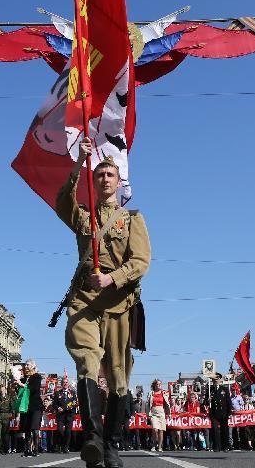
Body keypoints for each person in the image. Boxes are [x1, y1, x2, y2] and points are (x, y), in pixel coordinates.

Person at [56, 136, 151, 468]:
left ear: (118, 181)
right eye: (99, 175)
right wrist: (79, 164)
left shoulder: (132, 219)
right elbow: (62, 204)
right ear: (93, 181)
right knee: (85, 360)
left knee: (118, 375)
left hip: (119, 303)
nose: (105, 179)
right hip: (84, 300)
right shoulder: (83, 217)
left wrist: (113, 278)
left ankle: (109, 442)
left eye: (110, 175)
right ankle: (93, 437)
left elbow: (141, 261)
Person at [20, 359, 44, 457]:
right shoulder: (24, 378)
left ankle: (36, 449)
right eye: (25, 365)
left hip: (36, 406)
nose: (26, 366)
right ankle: (27, 449)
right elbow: (19, 391)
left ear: (33, 366)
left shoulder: (37, 377)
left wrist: (22, 385)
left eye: (28, 365)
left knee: (34, 428)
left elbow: (34, 388)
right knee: (26, 428)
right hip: (26, 406)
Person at [207, 375, 231, 452]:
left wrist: (229, 412)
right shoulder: (210, 390)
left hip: (223, 412)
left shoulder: (224, 389)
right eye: (214, 380)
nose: (215, 381)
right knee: (214, 429)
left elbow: (228, 402)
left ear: (220, 380)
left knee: (224, 430)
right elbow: (204, 403)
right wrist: (208, 401)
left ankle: (225, 446)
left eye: (217, 379)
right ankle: (216, 446)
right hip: (214, 413)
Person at [54, 379, 77, 453]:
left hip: (69, 414)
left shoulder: (72, 392)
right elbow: (54, 404)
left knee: (68, 431)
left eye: (66, 382)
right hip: (60, 415)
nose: (65, 384)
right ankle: (60, 445)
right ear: (61, 384)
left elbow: (75, 402)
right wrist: (58, 408)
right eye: (64, 382)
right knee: (60, 430)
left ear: (68, 384)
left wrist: (71, 406)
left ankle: (65, 447)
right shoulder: (58, 393)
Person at [146, 379, 169, 452]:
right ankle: (153, 444)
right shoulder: (151, 393)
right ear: (154, 385)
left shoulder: (164, 393)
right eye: (157, 384)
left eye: (160, 384)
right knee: (155, 429)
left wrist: (168, 414)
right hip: (153, 412)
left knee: (161, 430)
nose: (159, 385)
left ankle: (159, 446)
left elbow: (167, 404)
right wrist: (148, 414)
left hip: (161, 412)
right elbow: (148, 404)